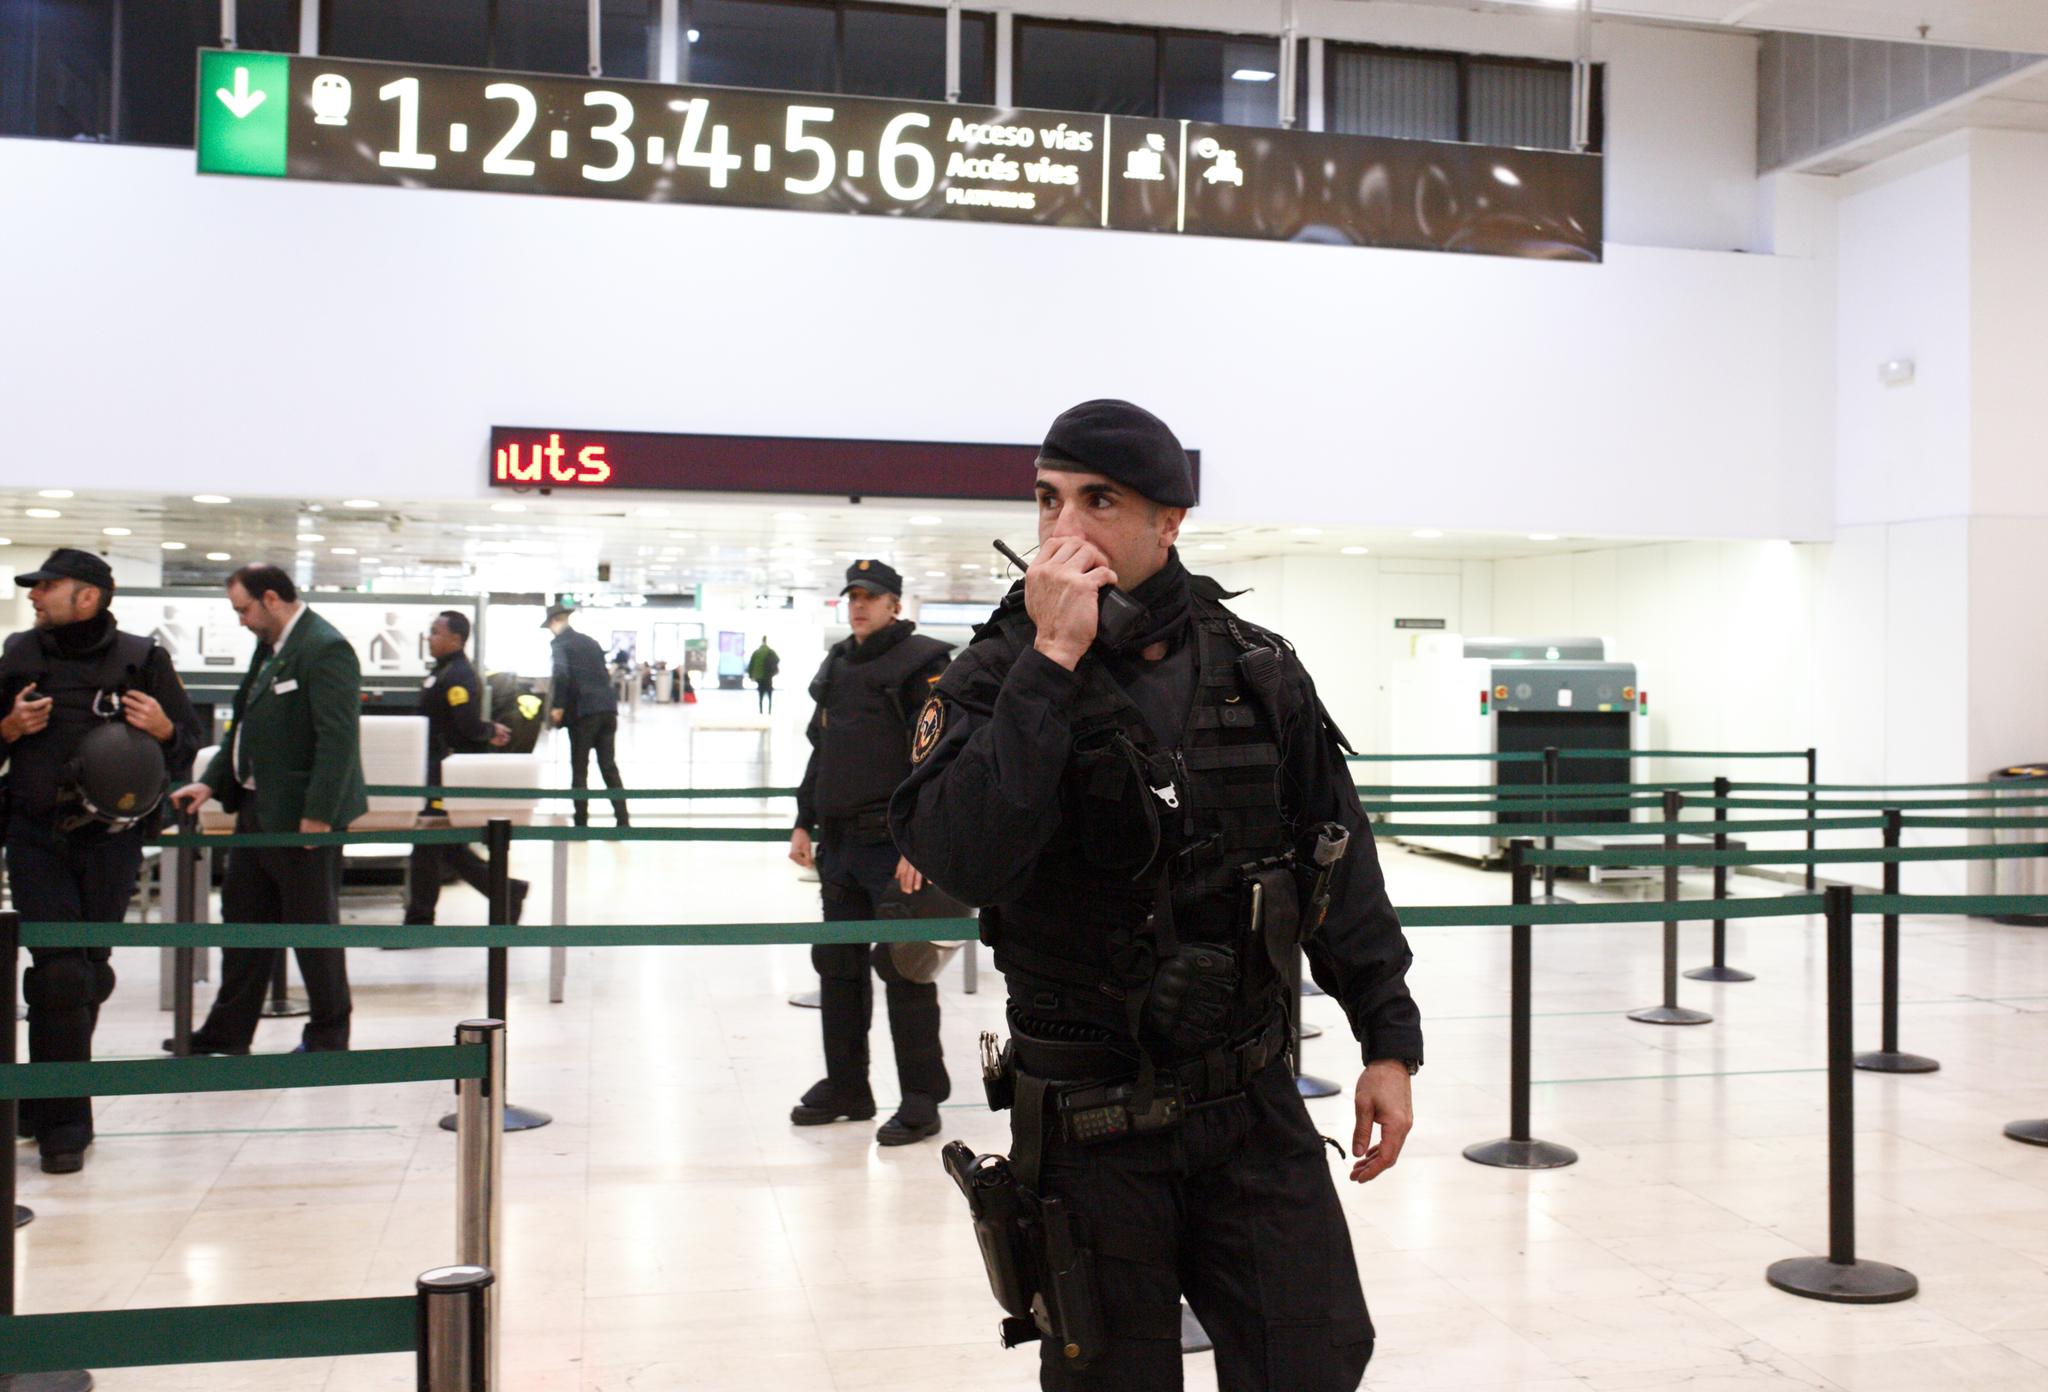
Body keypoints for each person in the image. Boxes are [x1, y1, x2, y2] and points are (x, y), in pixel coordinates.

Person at [892, 400, 1423, 1390]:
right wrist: (1050, 664)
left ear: (1167, 522)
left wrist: (1386, 1040)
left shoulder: (1255, 669)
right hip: (1091, 1127)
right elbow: (958, 856)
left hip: (1250, 1108)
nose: (1063, 529)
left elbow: (1336, 863)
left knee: (1312, 1358)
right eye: (1048, 499)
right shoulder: (993, 674)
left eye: (1099, 501)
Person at [1, 548, 202, 1172]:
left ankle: (40, 1099)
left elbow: (186, 745)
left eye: (46, 587)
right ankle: (67, 1127)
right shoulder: (19, 654)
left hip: (113, 842)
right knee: (60, 973)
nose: (34, 597)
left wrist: (166, 731)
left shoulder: (144, 659)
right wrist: (8, 729)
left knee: (89, 973)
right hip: (36, 838)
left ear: (86, 596)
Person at [169, 563, 365, 1054]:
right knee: (244, 923)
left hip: (302, 818)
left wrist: (318, 816)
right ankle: (226, 1033)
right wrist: (210, 783)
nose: (241, 621)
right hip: (258, 811)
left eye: (244, 609)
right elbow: (246, 727)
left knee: (312, 930)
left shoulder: (324, 648)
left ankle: (328, 1036)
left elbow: (338, 739)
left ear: (272, 598)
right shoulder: (271, 648)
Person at [789, 560, 953, 1145]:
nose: (859, 605)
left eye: (872, 596)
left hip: (895, 848)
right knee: (838, 968)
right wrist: (802, 820)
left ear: (895, 604)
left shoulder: (923, 665)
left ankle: (920, 1096)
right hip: (839, 846)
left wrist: (923, 843)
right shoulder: (837, 664)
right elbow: (822, 750)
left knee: (905, 969)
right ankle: (848, 1087)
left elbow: (940, 759)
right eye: (853, 596)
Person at [404, 611, 528, 927]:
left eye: (435, 632)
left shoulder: (458, 675)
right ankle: (507, 891)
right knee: (445, 847)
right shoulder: (443, 671)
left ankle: (419, 921)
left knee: (429, 846)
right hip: (435, 768)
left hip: (444, 772)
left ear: (455, 639)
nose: (429, 637)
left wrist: (489, 730)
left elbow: (467, 725)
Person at [544, 604, 628, 828]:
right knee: (608, 765)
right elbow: (603, 673)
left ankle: (581, 823)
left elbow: (561, 675)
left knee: (580, 769)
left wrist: (558, 706)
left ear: (554, 622)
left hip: (583, 713)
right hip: (607, 709)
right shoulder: (590, 641)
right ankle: (623, 820)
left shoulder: (560, 643)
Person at [747, 637, 780, 713]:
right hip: (768, 676)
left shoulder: (757, 652)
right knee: (769, 694)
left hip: (760, 677)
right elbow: (777, 659)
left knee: (760, 695)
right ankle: (769, 711)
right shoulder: (771, 651)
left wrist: (751, 675)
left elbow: (751, 664)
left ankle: (761, 711)